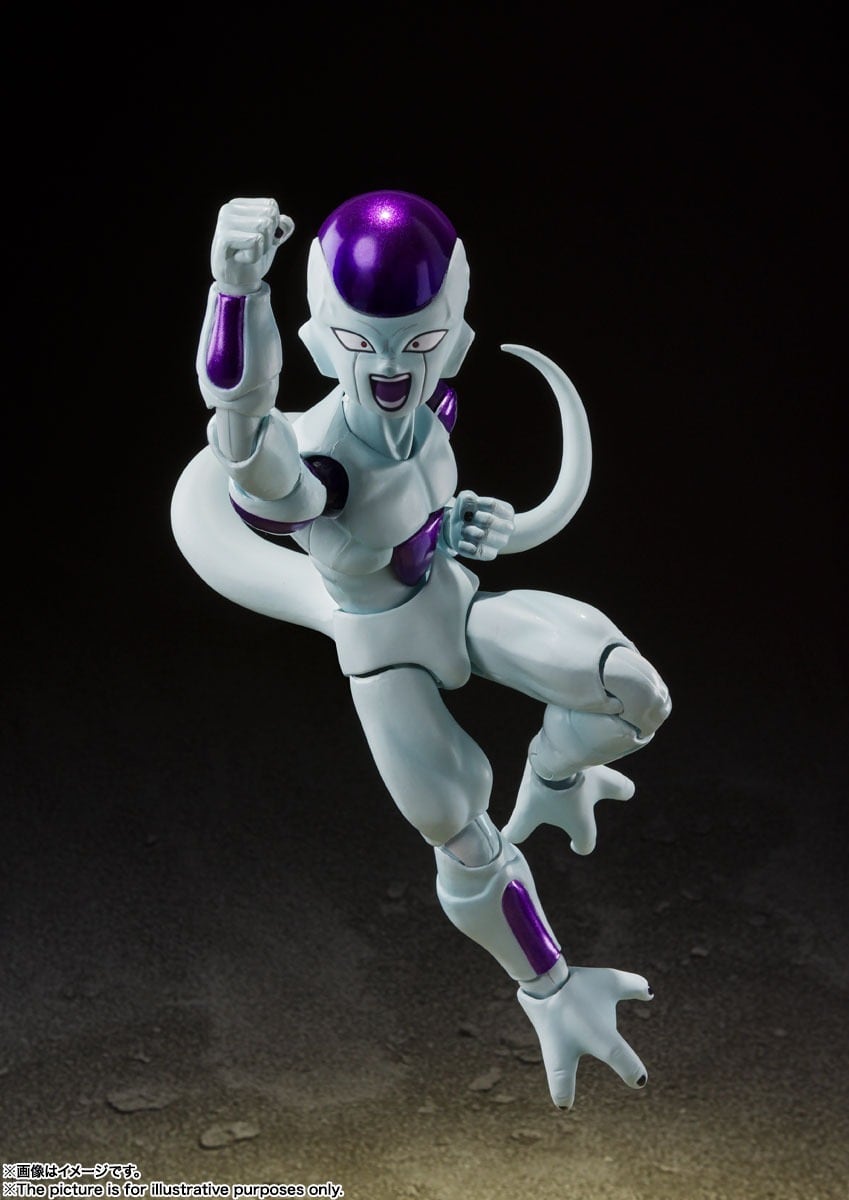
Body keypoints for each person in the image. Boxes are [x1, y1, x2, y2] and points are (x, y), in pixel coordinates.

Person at [172, 191, 671, 1109]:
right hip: (383, 653)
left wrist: (470, 521)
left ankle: (554, 772)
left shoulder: (434, 405)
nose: (391, 367)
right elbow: (248, 451)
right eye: (360, 344)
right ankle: (551, 989)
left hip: (454, 601)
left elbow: (423, 507)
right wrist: (234, 293)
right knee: (462, 833)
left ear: (453, 336)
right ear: (321, 341)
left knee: (633, 691)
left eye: (417, 341)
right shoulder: (320, 466)